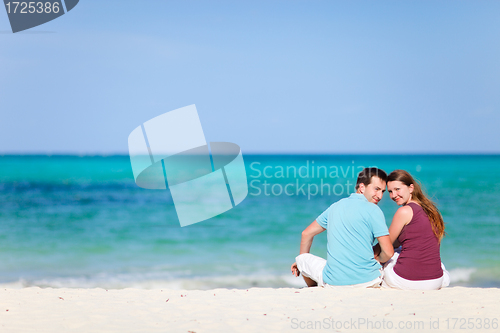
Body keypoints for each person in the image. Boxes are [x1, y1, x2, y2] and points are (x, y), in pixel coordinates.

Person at [291, 168, 394, 287]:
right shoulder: (374, 210)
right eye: (376, 189)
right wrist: (377, 259)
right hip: (369, 281)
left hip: (334, 283)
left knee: (302, 259)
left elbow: (306, 234)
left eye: (382, 191)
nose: (380, 196)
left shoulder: (335, 207)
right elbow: (388, 252)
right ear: (362, 187)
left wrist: (300, 263)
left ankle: (313, 288)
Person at [378, 169, 450, 290]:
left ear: (411, 188)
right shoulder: (431, 210)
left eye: (397, 189)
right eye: (390, 191)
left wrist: (368, 255)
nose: (393, 195)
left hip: (407, 280)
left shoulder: (404, 211)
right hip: (435, 281)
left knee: (387, 260)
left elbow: (386, 245)